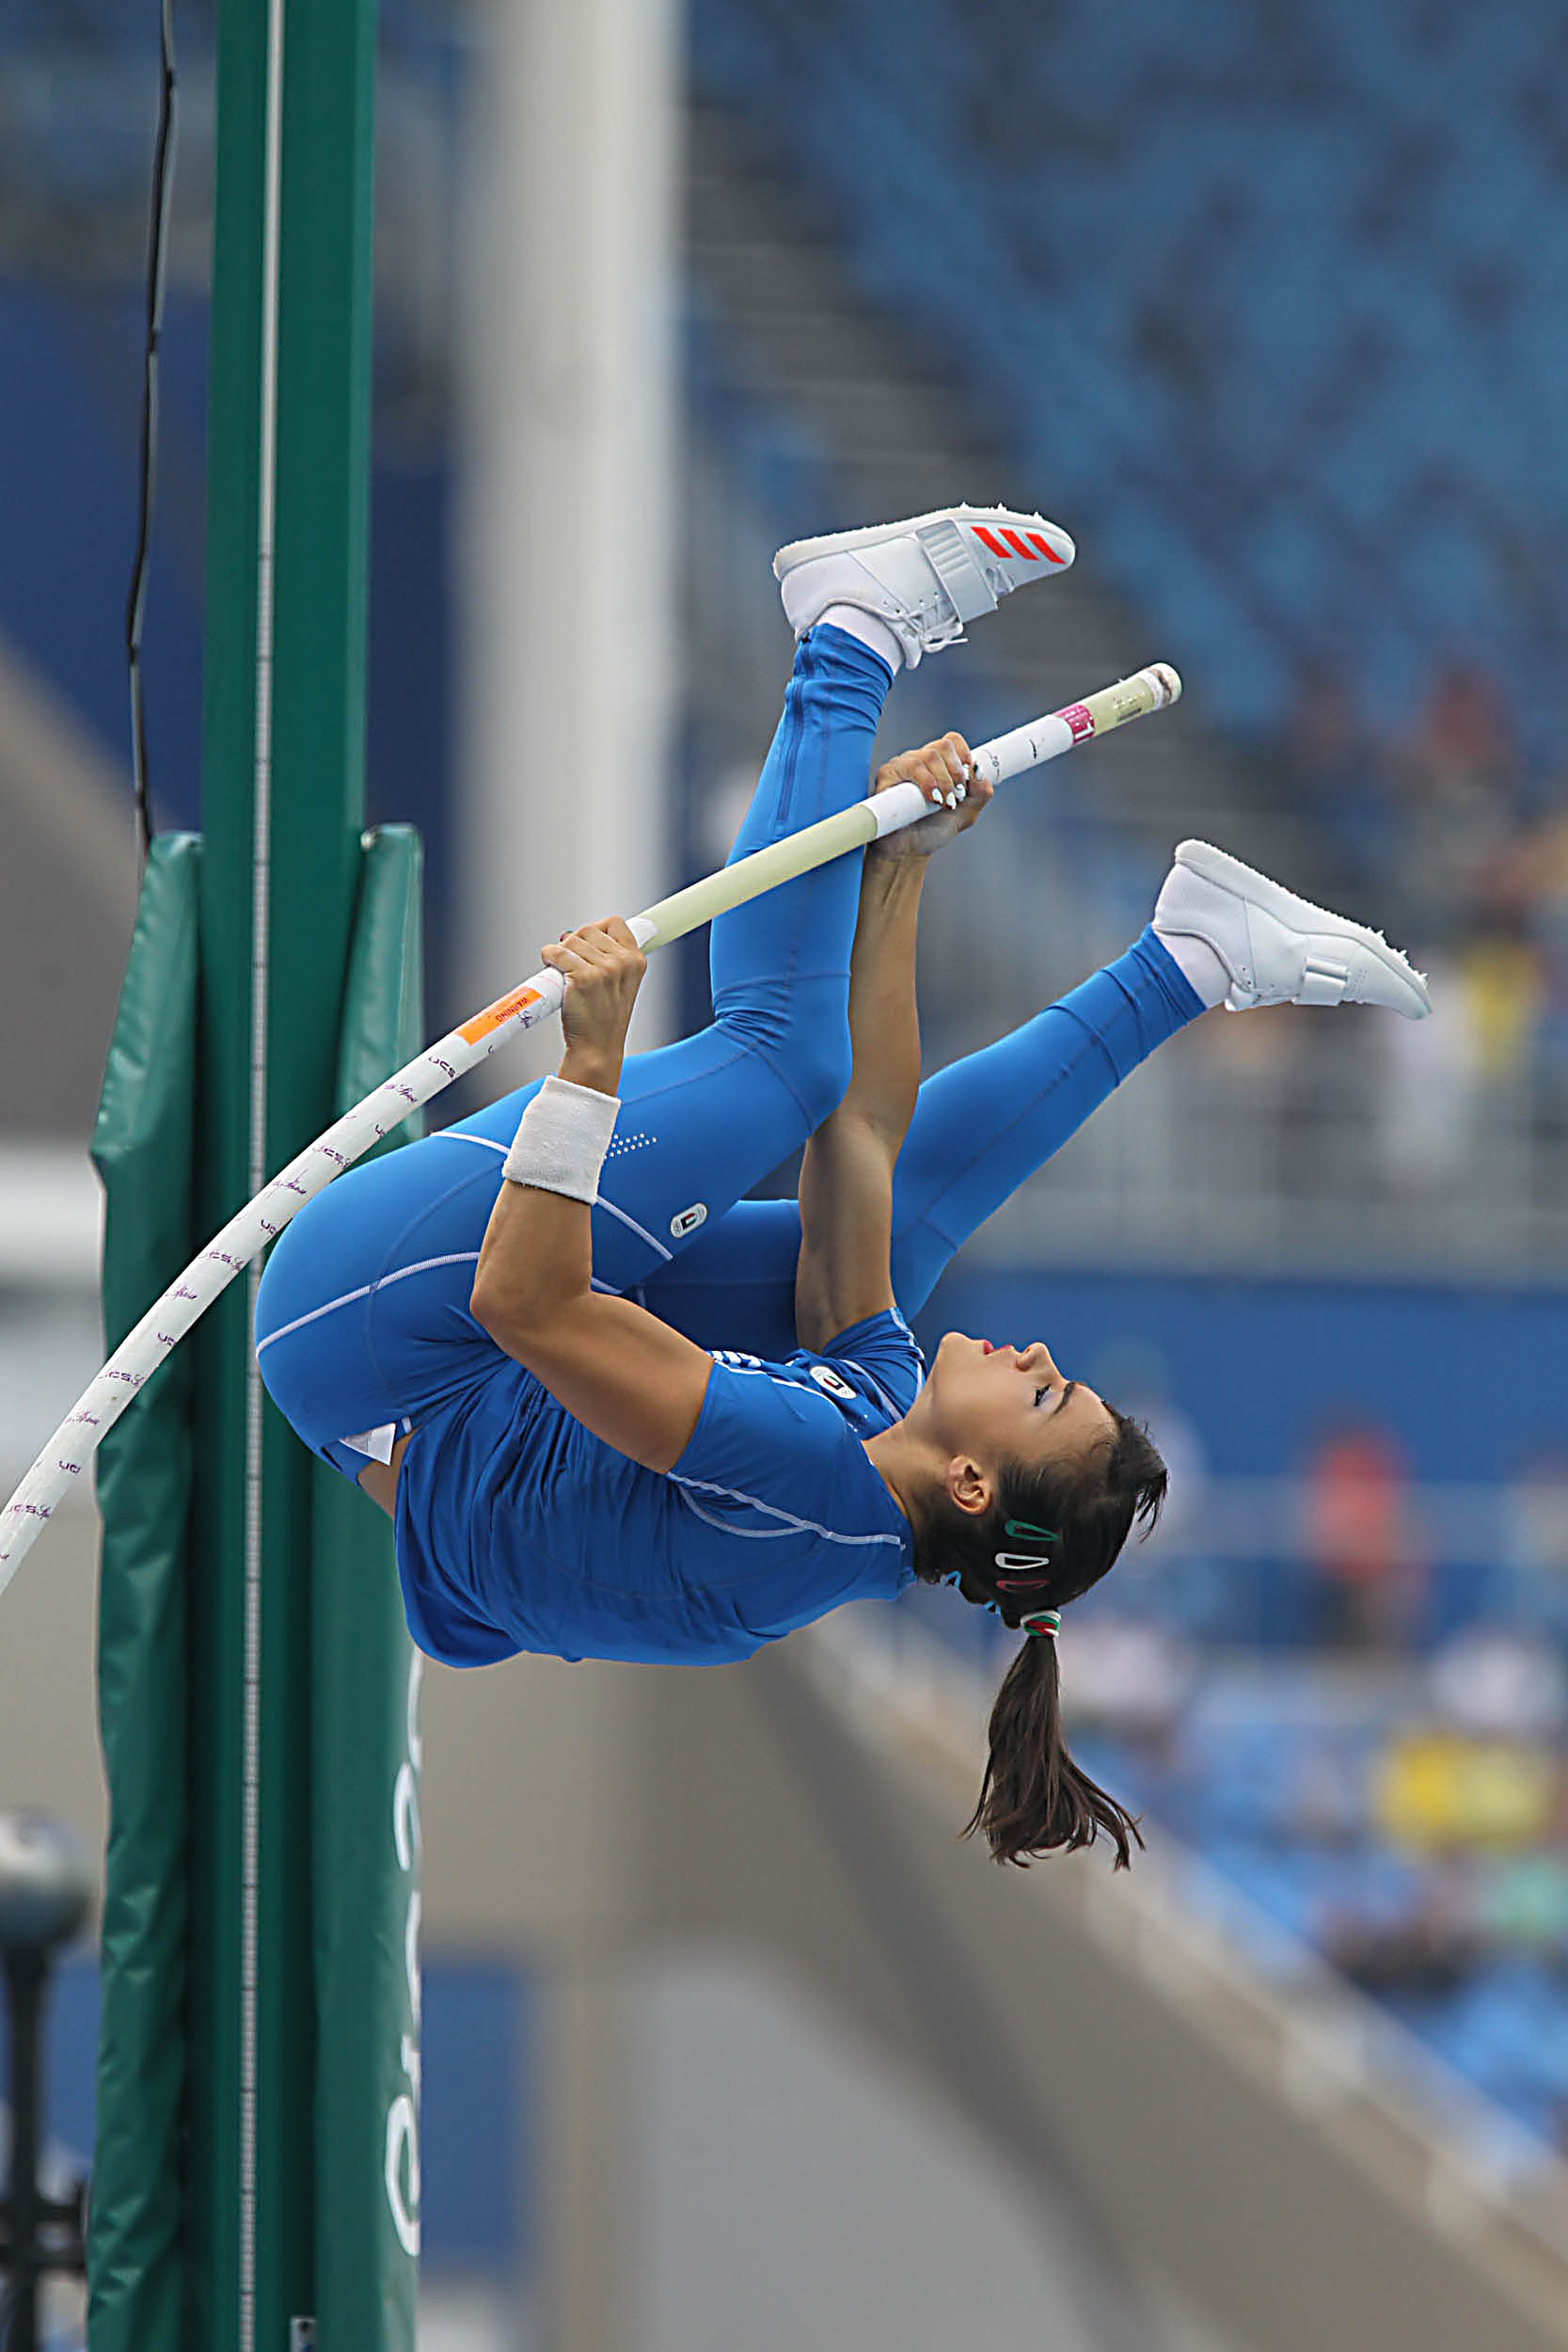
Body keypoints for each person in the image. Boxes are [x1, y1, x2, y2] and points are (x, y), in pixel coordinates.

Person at [256, 503, 1430, 1868]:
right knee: (892, 1221)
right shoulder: (883, 1436)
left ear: (974, 1482)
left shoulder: (810, 1480)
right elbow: (865, 1144)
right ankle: (1193, 961)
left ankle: (849, 629)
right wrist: (900, 867)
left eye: (1044, 1394)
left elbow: (528, 1300)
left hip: (378, 1337)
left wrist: (590, 1064)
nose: (1038, 1356)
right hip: (455, 1370)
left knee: (772, 1063)